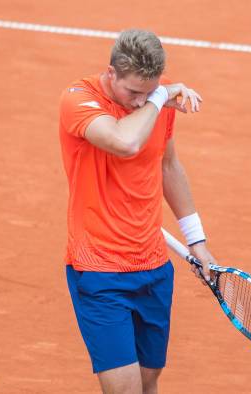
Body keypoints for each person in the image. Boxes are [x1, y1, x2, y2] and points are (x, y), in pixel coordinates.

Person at [58, 29, 215, 394]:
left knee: (148, 381)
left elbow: (168, 166)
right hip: (98, 271)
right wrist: (157, 98)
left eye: (148, 90)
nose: (138, 101)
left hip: (154, 267)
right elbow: (124, 142)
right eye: (132, 92)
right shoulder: (78, 99)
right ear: (111, 73)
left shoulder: (156, 99)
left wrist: (198, 241)